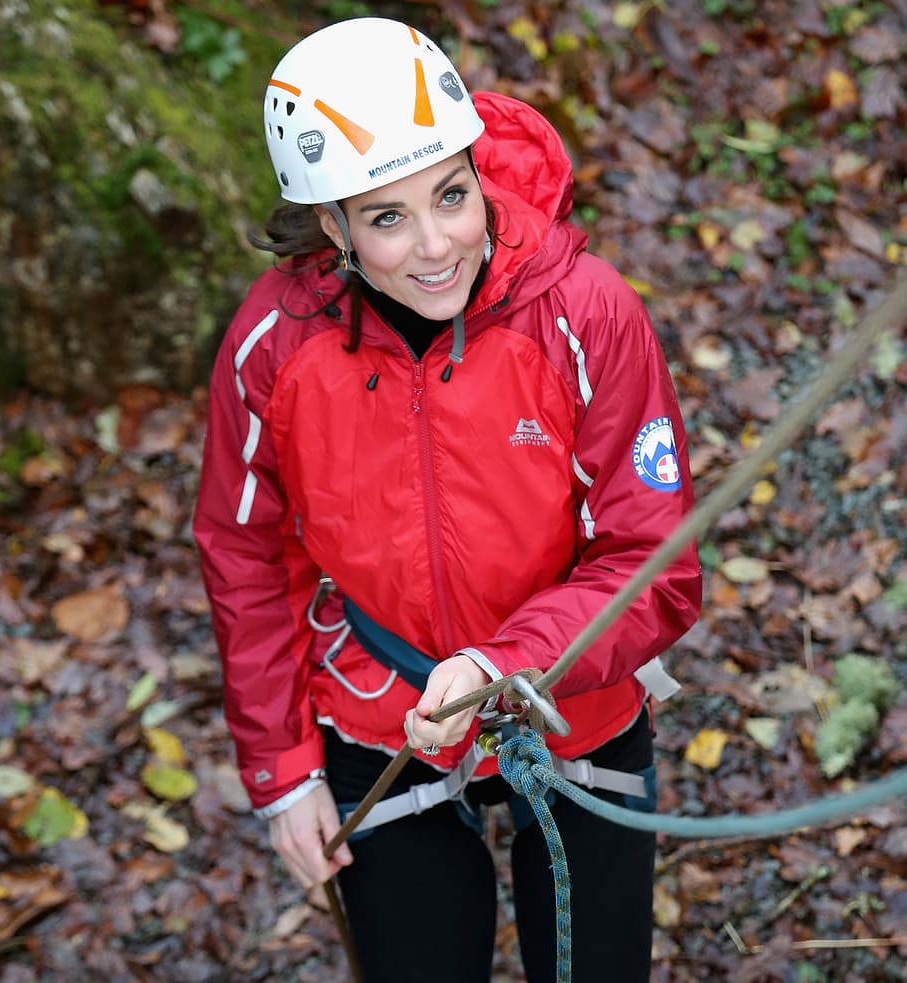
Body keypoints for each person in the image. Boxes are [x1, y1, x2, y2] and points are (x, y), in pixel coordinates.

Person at [193, 16, 702, 983]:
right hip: (377, 709)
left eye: (453, 196)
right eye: (386, 218)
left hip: (572, 702)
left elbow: (654, 563)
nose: (435, 247)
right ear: (333, 228)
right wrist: (281, 768)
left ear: (478, 173)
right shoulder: (276, 343)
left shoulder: (583, 312)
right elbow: (245, 549)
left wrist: (502, 661)